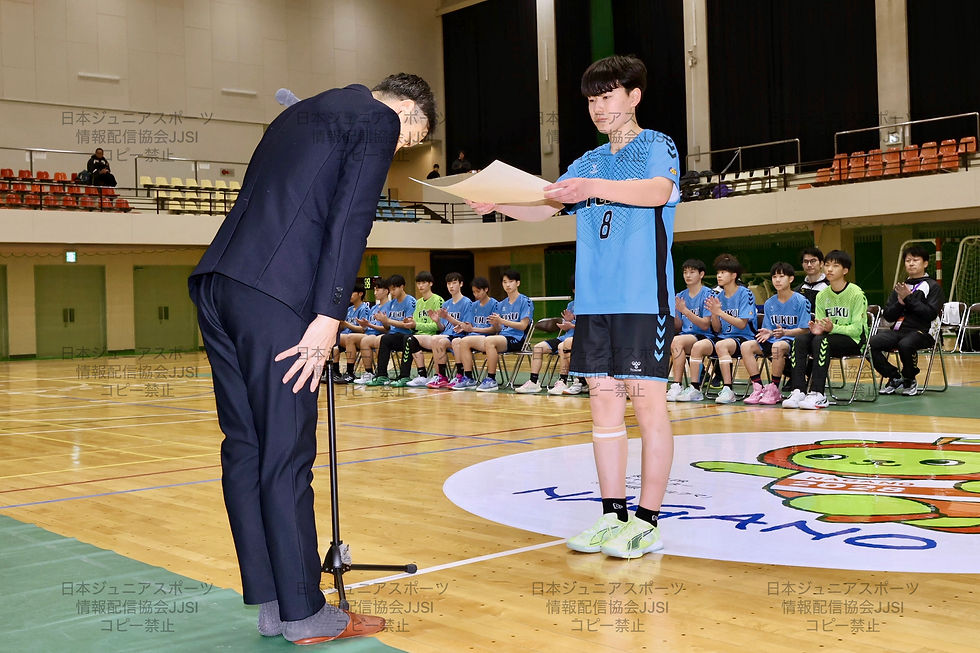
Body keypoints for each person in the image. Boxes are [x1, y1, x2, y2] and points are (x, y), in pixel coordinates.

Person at [188, 73, 434, 644]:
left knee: (247, 451)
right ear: (408, 109)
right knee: (286, 456)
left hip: (221, 286)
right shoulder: (376, 118)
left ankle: (276, 604)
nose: (402, 146)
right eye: (412, 136)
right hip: (278, 296)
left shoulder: (300, 115)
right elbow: (350, 220)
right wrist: (328, 317)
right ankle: (304, 614)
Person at [469, 55, 678, 558]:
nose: (598, 107)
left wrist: (592, 189)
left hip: (641, 301)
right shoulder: (586, 162)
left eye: (607, 96)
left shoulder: (657, 146)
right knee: (603, 407)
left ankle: (648, 522)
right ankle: (613, 517)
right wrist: (496, 202)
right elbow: (545, 205)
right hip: (593, 304)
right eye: (591, 99)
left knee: (647, 405)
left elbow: (659, 191)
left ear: (634, 96)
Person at [783, 250, 868, 410]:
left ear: (845, 270)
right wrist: (817, 329)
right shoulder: (822, 295)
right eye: (827, 265)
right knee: (800, 340)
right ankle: (798, 390)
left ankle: (818, 393)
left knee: (821, 341)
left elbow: (857, 330)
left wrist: (832, 328)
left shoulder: (856, 293)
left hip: (853, 341)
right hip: (827, 338)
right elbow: (821, 324)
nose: (829, 269)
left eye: (835, 266)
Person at [871, 245, 944, 395]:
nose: (911, 263)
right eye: (908, 260)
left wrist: (909, 298)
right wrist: (900, 303)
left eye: (915, 260)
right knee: (871, 343)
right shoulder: (900, 287)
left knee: (906, 344)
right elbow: (889, 316)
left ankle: (910, 378)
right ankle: (895, 376)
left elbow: (930, 314)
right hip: (898, 331)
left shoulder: (932, 286)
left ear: (925, 263)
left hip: (923, 332)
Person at [741, 262, 811, 405]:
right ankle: (758, 387)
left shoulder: (801, 301)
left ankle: (774, 388)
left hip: (793, 341)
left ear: (791, 279)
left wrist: (786, 332)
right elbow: (770, 330)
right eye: (774, 277)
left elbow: (806, 329)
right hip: (775, 338)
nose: (777, 280)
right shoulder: (769, 303)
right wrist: (768, 332)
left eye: (781, 276)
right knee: (746, 346)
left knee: (777, 347)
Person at [706, 254, 758, 404]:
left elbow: (742, 324)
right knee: (699, 346)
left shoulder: (745, 293)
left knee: (721, 345)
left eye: (723, 272)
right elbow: (717, 329)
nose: (719, 276)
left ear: (734, 275)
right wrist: (714, 315)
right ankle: (694, 387)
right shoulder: (719, 296)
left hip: (745, 338)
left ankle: (728, 389)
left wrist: (720, 312)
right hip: (726, 337)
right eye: (718, 273)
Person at [515, 276, 576, 394]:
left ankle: (563, 381)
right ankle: (534, 382)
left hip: (578, 339)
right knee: (538, 348)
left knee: (561, 347)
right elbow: (566, 323)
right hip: (565, 337)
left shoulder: (589, 306)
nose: (576, 291)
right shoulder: (571, 305)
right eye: (574, 289)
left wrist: (572, 325)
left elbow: (589, 327)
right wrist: (565, 324)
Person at [666, 259, 713, 401]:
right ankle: (676, 386)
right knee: (676, 340)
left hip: (705, 336)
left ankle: (682, 385)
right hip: (686, 336)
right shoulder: (680, 295)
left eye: (692, 272)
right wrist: (673, 312)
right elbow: (678, 326)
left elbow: (705, 325)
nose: (688, 275)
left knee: (677, 340)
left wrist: (685, 310)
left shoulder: (708, 294)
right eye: (685, 272)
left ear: (701, 274)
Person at [421, 272, 472, 388]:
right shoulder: (446, 303)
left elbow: (465, 326)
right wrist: (437, 321)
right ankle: (441, 376)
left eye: (454, 283)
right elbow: (442, 328)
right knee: (435, 339)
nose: (451, 286)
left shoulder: (467, 302)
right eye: (449, 283)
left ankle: (459, 375)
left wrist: (448, 317)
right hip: (447, 335)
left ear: (461, 284)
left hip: (460, 336)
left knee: (439, 340)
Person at [365, 274, 417, 386]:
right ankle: (382, 375)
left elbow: (408, 325)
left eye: (394, 289)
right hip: (394, 335)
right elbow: (387, 327)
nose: (392, 292)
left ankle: (404, 376)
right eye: (390, 290)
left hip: (407, 335)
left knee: (406, 339)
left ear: (402, 287)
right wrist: (383, 320)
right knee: (385, 339)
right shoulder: (391, 303)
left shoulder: (410, 301)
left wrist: (388, 320)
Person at [449, 276, 499, 388]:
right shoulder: (473, 305)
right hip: (472, 337)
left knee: (464, 341)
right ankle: (462, 375)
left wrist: (473, 329)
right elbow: (469, 324)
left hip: (486, 338)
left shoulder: (495, 304)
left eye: (478, 291)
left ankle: (469, 377)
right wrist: (463, 327)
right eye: (474, 292)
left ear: (486, 289)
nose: (476, 294)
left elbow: (494, 329)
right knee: (456, 341)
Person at [350, 279, 392, 385]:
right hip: (369, 333)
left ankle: (381, 373)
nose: (375, 292)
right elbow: (367, 326)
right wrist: (364, 325)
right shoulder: (374, 308)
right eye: (374, 290)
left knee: (369, 340)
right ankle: (368, 372)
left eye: (378, 290)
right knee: (352, 337)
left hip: (380, 335)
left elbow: (388, 328)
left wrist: (369, 325)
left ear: (386, 291)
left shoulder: (391, 306)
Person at [327, 284, 372, 384]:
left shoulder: (364, 309)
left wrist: (347, 324)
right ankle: (335, 372)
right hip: (346, 337)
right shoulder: (349, 309)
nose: (349, 295)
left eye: (352, 292)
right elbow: (344, 326)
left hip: (358, 338)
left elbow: (363, 329)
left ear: (360, 294)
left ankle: (350, 372)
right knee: (333, 342)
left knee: (347, 338)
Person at [795, 247, 829, 314]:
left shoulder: (830, 287)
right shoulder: (797, 290)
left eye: (813, 261)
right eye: (806, 262)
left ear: (821, 263)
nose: (809, 265)